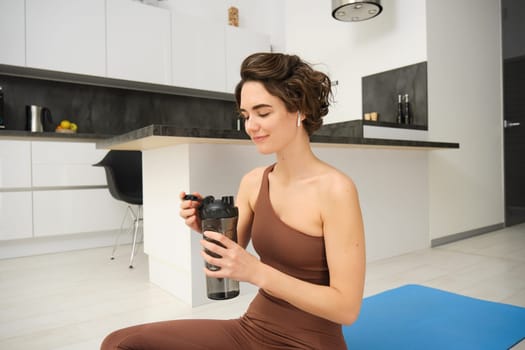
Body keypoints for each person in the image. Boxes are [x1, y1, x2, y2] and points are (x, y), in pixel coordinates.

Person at [100, 52, 366, 350]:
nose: (251, 125)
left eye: (263, 113)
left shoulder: (335, 190)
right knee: (120, 343)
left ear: (300, 110)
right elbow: (230, 255)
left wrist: (256, 271)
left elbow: (347, 308)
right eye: (246, 115)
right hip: (252, 329)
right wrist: (207, 224)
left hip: (308, 342)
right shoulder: (253, 182)